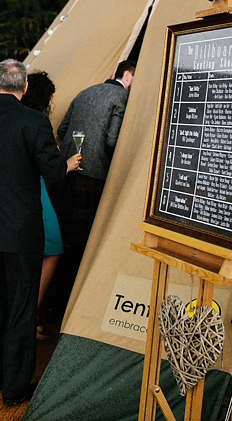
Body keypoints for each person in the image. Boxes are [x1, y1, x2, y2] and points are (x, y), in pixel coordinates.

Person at [0, 59, 80, 407]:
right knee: (22, 307)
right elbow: (54, 172)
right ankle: (15, 387)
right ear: (23, 88)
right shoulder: (34, 121)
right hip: (22, 230)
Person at [48, 60, 135, 325]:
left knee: (60, 239)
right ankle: (68, 310)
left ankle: (50, 307)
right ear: (129, 76)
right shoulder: (121, 96)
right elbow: (112, 140)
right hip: (92, 178)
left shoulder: (86, 91)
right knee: (82, 244)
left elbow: (62, 130)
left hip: (65, 173)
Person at [18, 71, 65, 338]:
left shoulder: (15, 117)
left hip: (26, 193)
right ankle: (28, 317)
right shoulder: (37, 121)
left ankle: (31, 318)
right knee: (53, 246)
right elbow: (46, 165)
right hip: (35, 191)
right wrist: (64, 163)